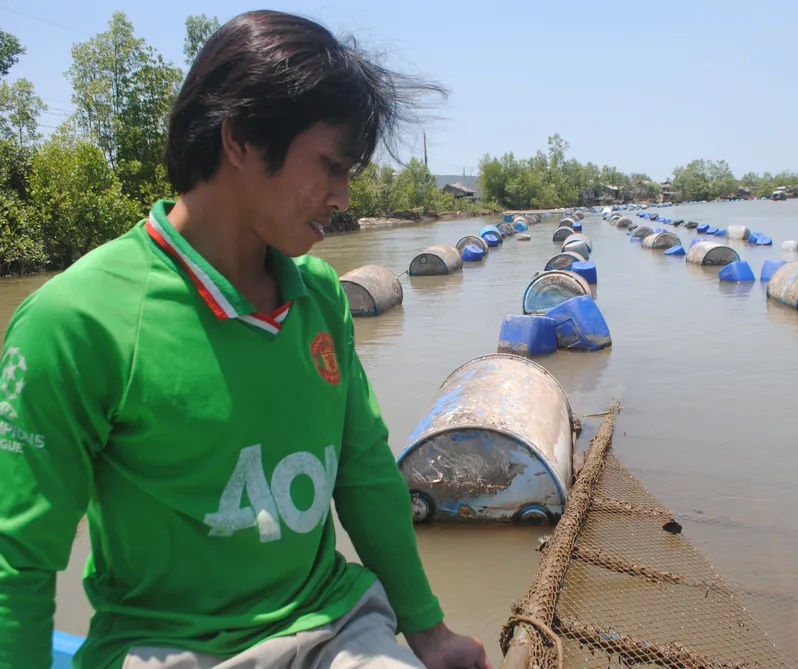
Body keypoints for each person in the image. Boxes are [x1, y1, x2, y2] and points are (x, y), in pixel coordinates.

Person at [0, 10, 490, 669]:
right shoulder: (78, 321)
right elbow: (18, 558)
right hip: (170, 646)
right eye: (331, 166)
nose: (343, 196)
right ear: (239, 138)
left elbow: (366, 473)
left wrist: (428, 630)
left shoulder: (319, 298)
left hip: (333, 624)